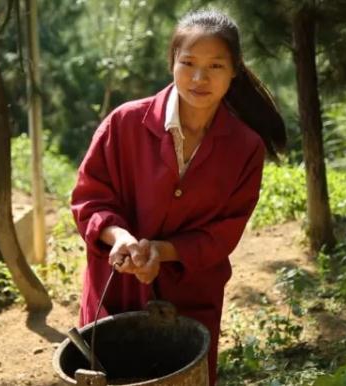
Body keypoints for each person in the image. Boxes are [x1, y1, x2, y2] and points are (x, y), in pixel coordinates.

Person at [71, 8, 286, 386]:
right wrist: (122, 238)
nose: (200, 78)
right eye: (188, 63)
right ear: (172, 61)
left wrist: (163, 252)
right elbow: (90, 200)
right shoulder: (124, 124)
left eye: (215, 66)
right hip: (116, 291)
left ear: (234, 70)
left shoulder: (245, 147)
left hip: (190, 298)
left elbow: (222, 234)